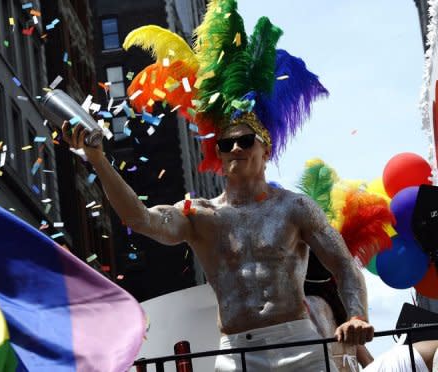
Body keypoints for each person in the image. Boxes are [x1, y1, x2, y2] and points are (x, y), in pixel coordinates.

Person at [62, 1, 374, 370]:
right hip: (236, 351)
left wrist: (355, 316)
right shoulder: (201, 215)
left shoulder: (294, 207)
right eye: (226, 144)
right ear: (218, 154)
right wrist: (98, 159)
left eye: (245, 141)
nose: (235, 148)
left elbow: (343, 265)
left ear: (266, 148)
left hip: (298, 342)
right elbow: (142, 219)